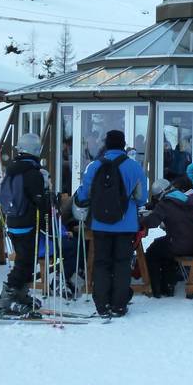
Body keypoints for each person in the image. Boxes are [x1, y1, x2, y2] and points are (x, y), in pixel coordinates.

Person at [74, 129, 147, 318]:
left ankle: (102, 304)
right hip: (126, 223)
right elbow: (141, 198)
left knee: (101, 262)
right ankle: (119, 305)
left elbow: (84, 195)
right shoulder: (135, 167)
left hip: (100, 223)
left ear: (106, 145)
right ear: (123, 145)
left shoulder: (94, 166)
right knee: (122, 263)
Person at [0, 133, 51, 314]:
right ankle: (9, 295)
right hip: (27, 222)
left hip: (13, 220)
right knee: (25, 261)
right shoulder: (32, 173)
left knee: (23, 259)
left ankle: (19, 293)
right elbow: (39, 200)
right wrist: (46, 191)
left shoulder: (12, 169)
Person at [140, 178, 193, 297]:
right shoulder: (185, 198)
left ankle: (155, 288)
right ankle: (168, 286)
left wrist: (140, 220)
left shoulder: (165, 203)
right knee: (162, 246)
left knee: (152, 252)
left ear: (160, 194)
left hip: (181, 244)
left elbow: (152, 222)